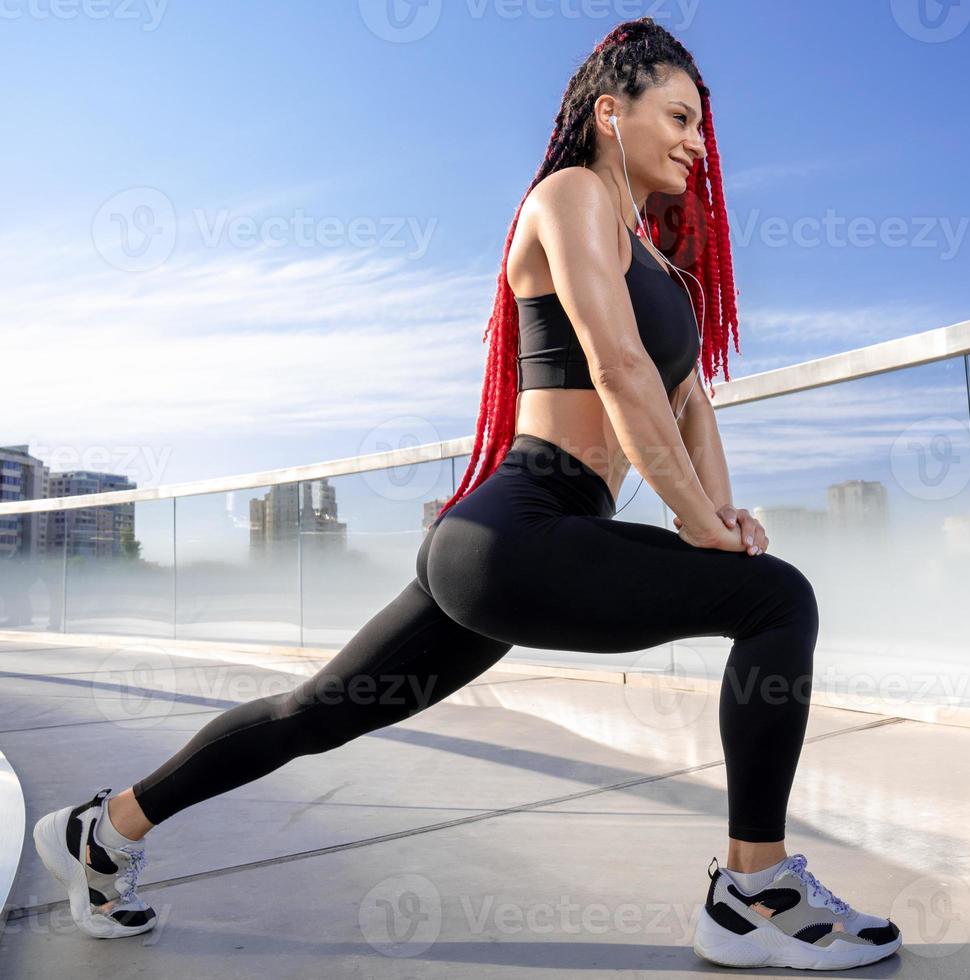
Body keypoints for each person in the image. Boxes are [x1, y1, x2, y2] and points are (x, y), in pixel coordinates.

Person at [31, 18, 901, 970]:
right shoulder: (570, 197)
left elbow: (691, 404)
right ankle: (754, 892)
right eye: (680, 115)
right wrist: (700, 526)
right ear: (612, 112)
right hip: (516, 525)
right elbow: (617, 367)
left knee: (315, 713)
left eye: (703, 124)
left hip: (536, 542)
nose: (700, 141)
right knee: (779, 599)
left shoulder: (661, 265)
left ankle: (104, 831)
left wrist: (722, 518)